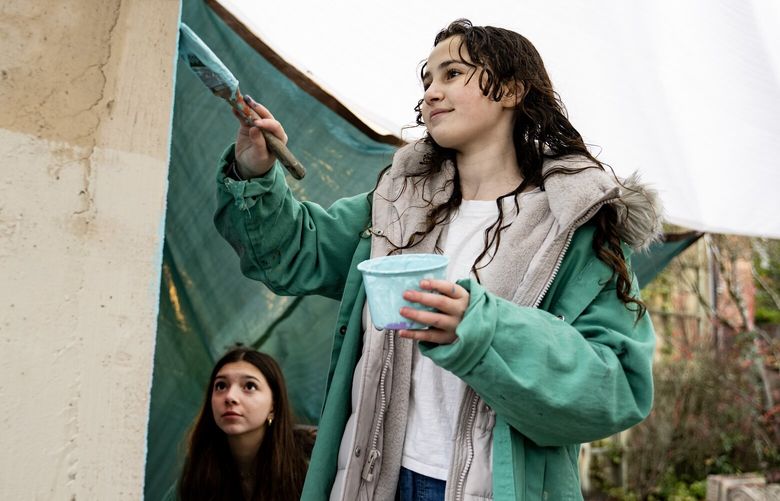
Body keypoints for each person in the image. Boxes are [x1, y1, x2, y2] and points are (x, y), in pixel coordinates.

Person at [214, 19, 660, 501]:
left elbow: (617, 387)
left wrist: (482, 327)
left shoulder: (573, 227)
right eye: (427, 80)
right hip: (369, 476)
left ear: (510, 89)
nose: (431, 93)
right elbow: (295, 254)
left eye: (452, 74)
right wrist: (255, 172)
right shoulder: (394, 208)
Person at [177, 346, 311, 500]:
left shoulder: (307, 466)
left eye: (249, 386)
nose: (230, 397)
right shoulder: (198, 470)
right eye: (221, 386)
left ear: (274, 404)